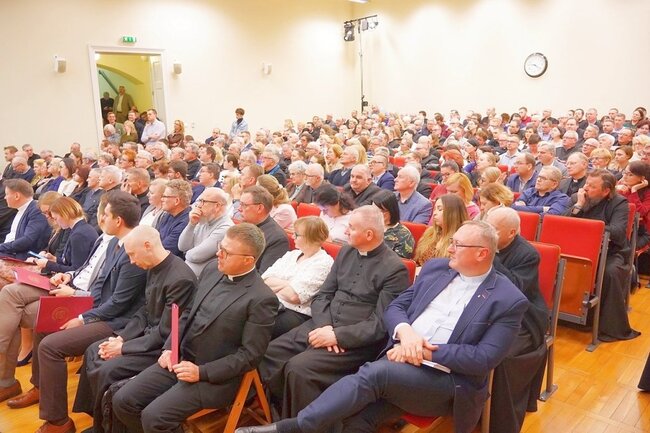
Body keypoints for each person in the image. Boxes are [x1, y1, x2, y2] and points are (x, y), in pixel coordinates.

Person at [238, 221, 528, 433]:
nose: (449, 248)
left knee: (375, 373)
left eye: (457, 245)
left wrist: (421, 351)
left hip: (446, 381)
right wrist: (406, 332)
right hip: (399, 362)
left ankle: (294, 427)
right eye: (452, 242)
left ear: (481, 253)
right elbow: (396, 307)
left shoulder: (508, 299)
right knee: (353, 421)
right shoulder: (436, 269)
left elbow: (483, 359)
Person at [112, 224, 278, 433]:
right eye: (220, 247)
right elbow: (187, 313)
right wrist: (170, 347)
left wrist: (201, 372)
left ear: (248, 260)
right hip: (180, 358)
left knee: (154, 417)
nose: (218, 254)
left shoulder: (262, 299)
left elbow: (249, 356)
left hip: (212, 376)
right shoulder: (212, 270)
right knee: (123, 400)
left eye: (226, 252)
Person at [7, 191, 148, 433]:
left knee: (50, 346)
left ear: (118, 220)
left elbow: (119, 303)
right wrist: (76, 292)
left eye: (105, 215)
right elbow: (99, 282)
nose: (100, 218)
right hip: (98, 307)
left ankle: (58, 422)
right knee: (44, 324)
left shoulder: (132, 250)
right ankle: (41, 388)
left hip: (117, 321)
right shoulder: (113, 242)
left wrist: (82, 317)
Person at [258, 205, 410, 419]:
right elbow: (323, 296)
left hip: (354, 341)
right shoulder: (346, 252)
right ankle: (280, 413)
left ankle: (303, 424)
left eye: (351, 228)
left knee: (299, 369)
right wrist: (325, 326)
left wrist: (337, 336)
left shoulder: (394, 269)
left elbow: (380, 324)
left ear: (369, 234)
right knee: (268, 354)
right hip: (322, 325)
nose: (346, 231)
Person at [72, 225, 197, 433]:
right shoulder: (153, 267)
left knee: (108, 369)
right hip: (146, 337)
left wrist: (123, 348)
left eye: (132, 254)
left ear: (147, 246)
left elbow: (167, 332)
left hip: (162, 348)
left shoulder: (180, 279)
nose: (131, 261)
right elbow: (145, 310)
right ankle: (100, 419)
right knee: (93, 350)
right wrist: (122, 338)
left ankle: (107, 427)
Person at [485, 208, 549, 433]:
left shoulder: (528, 254)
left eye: (493, 230)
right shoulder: (482, 244)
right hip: (485, 308)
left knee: (500, 356)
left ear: (511, 233)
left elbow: (515, 288)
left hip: (523, 315)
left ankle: (497, 420)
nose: (487, 232)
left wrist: (490, 255)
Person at [568, 169, 640, 342]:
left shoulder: (619, 203)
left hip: (611, 252)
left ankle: (607, 326)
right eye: (586, 183)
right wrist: (578, 206)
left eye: (592, 186)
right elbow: (563, 223)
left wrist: (588, 228)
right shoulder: (578, 198)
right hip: (580, 248)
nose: (586, 188)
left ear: (606, 190)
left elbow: (617, 232)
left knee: (610, 273)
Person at [262, 216, 334, 339]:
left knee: (255, 325)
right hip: (272, 303)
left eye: (297, 234)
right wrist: (290, 284)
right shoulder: (291, 254)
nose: (292, 237)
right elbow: (264, 280)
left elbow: (294, 296)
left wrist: (281, 285)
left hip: (294, 313)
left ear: (310, 238)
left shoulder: (324, 262)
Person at [31, 197, 98, 274]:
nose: (56, 222)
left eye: (56, 218)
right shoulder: (79, 229)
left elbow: (76, 270)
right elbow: (70, 261)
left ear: (64, 214)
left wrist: (48, 264)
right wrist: (55, 259)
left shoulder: (79, 234)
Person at [178, 187, 234, 276]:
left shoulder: (225, 228)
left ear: (217, 206)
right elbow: (182, 247)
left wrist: (187, 252)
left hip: (201, 278)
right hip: (186, 273)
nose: (199, 205)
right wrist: (191, 224)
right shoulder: (203, 220)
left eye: (203, 201)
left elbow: (196, 256)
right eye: (199, 201)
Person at [238, 186, 290, 273]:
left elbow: (264, 275)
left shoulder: (277, 238)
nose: (239, 209)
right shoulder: (243, 227)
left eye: (244, 205)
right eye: (240, 204)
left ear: (259, 208)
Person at [0, 179, 51, 259]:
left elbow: (27, 240)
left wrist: (1, 247)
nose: (5, 197)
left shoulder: (36, 210)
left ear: (17, 196)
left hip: (24, 256)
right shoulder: (22, 209)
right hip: (11, 251)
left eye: (7, 194)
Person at [414, 194, 468, 266]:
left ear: (452, 213)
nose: (434, 213)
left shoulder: (461, 239)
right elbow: (417, 260)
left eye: (440, 209)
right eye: (435, 209)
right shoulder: (430, 233)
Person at [373, 190, 415, 259]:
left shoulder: (404, 235)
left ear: (391, 211)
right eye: (373, 210)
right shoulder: (368, 225)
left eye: (381, 211)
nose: (375, 214)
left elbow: (399, 263)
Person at [617, 161, 650, 247]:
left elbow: (639, 212)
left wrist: (634, 190)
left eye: (630, 175)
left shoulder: (648, 193)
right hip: (620, 227)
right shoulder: (619, 188)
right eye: (625, 173)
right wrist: (615, 189)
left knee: (625, 249)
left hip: (640, 232)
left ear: (642, 179)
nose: (625, 177)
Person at [156, 179, 191, 258]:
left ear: (177, 201)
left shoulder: (185, 222)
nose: (161, 199)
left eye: (165, 196)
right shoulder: (167, 215)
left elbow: (164, 250)